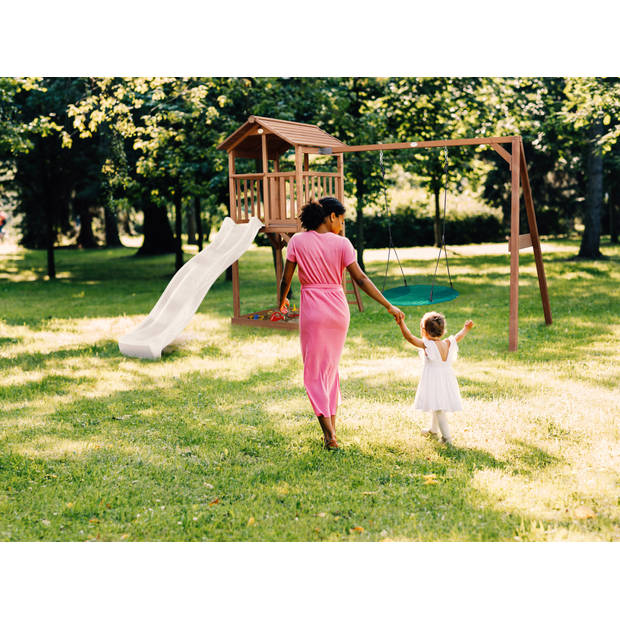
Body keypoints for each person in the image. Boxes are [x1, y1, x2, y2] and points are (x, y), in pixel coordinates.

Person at [278, 197, 404, 450]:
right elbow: (360, 279)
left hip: (313, 310)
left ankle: (329, 436)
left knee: (314, 372)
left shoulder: (297, 241)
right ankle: (332, 430)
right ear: (331, 216)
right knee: (330, 370)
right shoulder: (343, 244)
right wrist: (388, 304)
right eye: (342, 220)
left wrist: (280, 303)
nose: (342, 226)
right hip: (338, 310)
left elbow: (286, 279)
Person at [397, 311, 474, 445]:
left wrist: (401, 323)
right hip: (446, 379)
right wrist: (466, 328)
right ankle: (433, 429)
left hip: (434, 380)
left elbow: (409, 337)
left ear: (424, 330)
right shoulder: (449, 342)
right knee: (436, 403)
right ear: (443, 331)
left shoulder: (427, 345)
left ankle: (447, 438)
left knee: (438, 408)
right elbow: (459, 336)